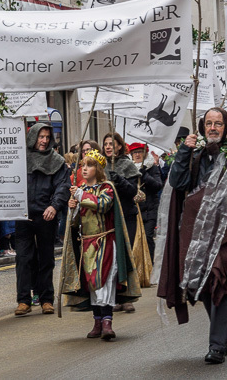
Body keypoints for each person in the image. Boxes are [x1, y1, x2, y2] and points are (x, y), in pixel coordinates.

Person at [158, 107, 227, 364]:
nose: (213, 128)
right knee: (199, 286)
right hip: (194, 233)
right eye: (209, 124)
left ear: (226, 128)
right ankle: (221, 331)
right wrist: (183, 152)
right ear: (202, 128)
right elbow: (178, 184)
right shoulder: (194, 156)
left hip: (225, 232)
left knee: (220, 281)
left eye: (218, 124)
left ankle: (217, 346)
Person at [62, 149, 141, 340]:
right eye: (83, 165)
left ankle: (107, 322)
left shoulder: (106, 187)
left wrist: (81, 197)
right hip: (87, 243)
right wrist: (72, 209)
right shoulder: (80, 190)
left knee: (105, 282)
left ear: (98, 168)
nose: (85, 169)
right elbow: (74, 223)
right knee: (92, 284)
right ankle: (97, 321)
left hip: (106, 241)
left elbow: (103, 205)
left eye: (89, 165)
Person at [14, 122, 70, 316]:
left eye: (47, 137)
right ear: (34, 137)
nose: (44, 141)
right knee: (23, 258)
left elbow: (63, 186)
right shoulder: (20, 158)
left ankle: (46, 299)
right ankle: (23, 300)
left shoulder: (57, 161)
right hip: (23, 216)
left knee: (46, 258)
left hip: (46, 216)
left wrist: (54, 206)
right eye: (41, 136)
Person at [102, 132, 140, 312]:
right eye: (106, 144)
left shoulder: (127, 165)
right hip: (108, 218)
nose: (108, 147)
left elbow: (133, 191)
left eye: (112, 144)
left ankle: (127, 296)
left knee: (125, 255)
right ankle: (114, 296)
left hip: (126, 216)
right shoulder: (100, 165)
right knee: (112, 258)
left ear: (119, 146)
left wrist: (119, 180)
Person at [129, 142, 163, 261]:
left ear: (145, 154)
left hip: (149, 210)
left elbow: (158, 185)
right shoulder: (128, 169)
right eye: (134, 153)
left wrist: (145, 176)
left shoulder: (151, 168)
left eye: (139, 152)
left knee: (148, 237)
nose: (137, 155)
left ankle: (151, 264)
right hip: (134, 211)